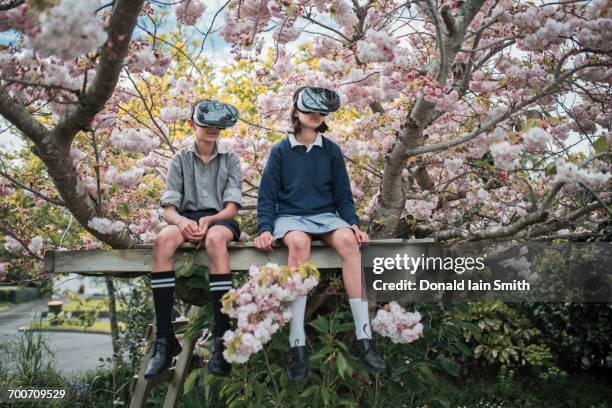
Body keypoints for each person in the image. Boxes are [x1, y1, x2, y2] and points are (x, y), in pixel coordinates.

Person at [255, 86, 386, 383]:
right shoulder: (280, 150)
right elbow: (267, 197)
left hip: (325, 216)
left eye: (320, 112)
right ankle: (297, 344)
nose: (315, 116)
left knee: (349, 243)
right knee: (298, 245)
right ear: (296, 112)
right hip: (290, 218)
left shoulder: (331, 150)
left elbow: (343, 196)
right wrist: (265, 228)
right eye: (309, 110)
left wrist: (352, 223)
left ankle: (364, 337)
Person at [145, 100, 243, 379]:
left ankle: (221, 338)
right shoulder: (180, 159)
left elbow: (232, 206)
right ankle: (165, 340)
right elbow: (168, 207)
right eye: (206, 124)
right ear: (192, 125)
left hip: (220, 219)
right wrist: (182, 222)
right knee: (163, 241)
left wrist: (211, 220)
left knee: (215, 241)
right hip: (186, 218)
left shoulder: (231, 159)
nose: (212, 130)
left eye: (217, 126)